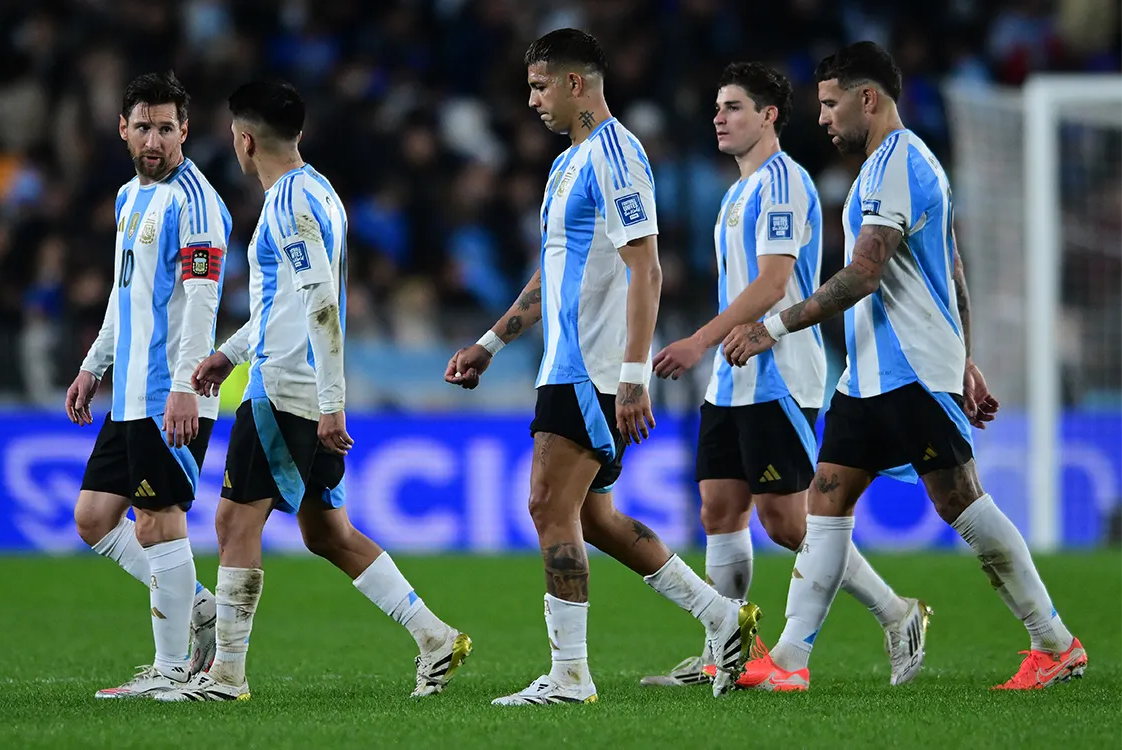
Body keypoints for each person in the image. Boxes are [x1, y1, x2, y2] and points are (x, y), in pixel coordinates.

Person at [723, 41, 1086, 691]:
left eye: (831, 104)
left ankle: (1054, 641)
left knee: (960, 500)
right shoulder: (883, 169)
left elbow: (864, 273)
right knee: (826, 498)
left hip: (910, 366)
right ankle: (789, 660)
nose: (823, 118)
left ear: (868, 98)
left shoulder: (898, 163)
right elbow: (951, 266)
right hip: (870, 372)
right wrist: (966, 355)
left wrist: (771, 327)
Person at [445, 28, 759, 705]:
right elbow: (551, 271)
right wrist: (491, 343)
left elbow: (648, 268)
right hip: (566, 361)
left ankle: (570, 675)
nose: (532, 101)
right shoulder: (568, 164)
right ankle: (721, 617)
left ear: (575, 82)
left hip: (593, 367)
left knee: (547, 505)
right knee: (594, 518)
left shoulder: (617, 155)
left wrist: (632, 376)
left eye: (539, 87)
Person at [157, 80, 470, 702]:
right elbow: (287, 305)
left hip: (287, 389)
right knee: (326, 532)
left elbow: (322, 303)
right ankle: (434, 637)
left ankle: (226, 676)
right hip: (298, 382)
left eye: (234, 135)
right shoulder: (319, 191)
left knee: (233, 521)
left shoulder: (288, 204)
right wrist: (229, 353)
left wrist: (331, 404)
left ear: (246, 141)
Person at [641, 61, 928, 690]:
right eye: (718, 107)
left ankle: (897, 612)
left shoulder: (784, 183)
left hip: (779, 372)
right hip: (731, 379)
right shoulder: (736, 193)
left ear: (769, 115)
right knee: (719, 510)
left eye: (734, 107)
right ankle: (724, 653)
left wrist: (698, 340)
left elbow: (774, 283)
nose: (719, 117)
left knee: (787, 523)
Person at [64, 71, 230, 699]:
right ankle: (201, 608)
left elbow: (203, 298)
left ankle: (171, 670)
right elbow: (123, 292)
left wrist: (186, 385)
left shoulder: (197, 203)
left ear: (184, 130)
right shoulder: (127, 197)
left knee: (158, 521)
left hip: (170, 393)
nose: (153, 140)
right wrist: (93, 365)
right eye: (143, 127)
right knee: (94, 517)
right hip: (132, 390)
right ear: (123, 129)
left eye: (165, 128)